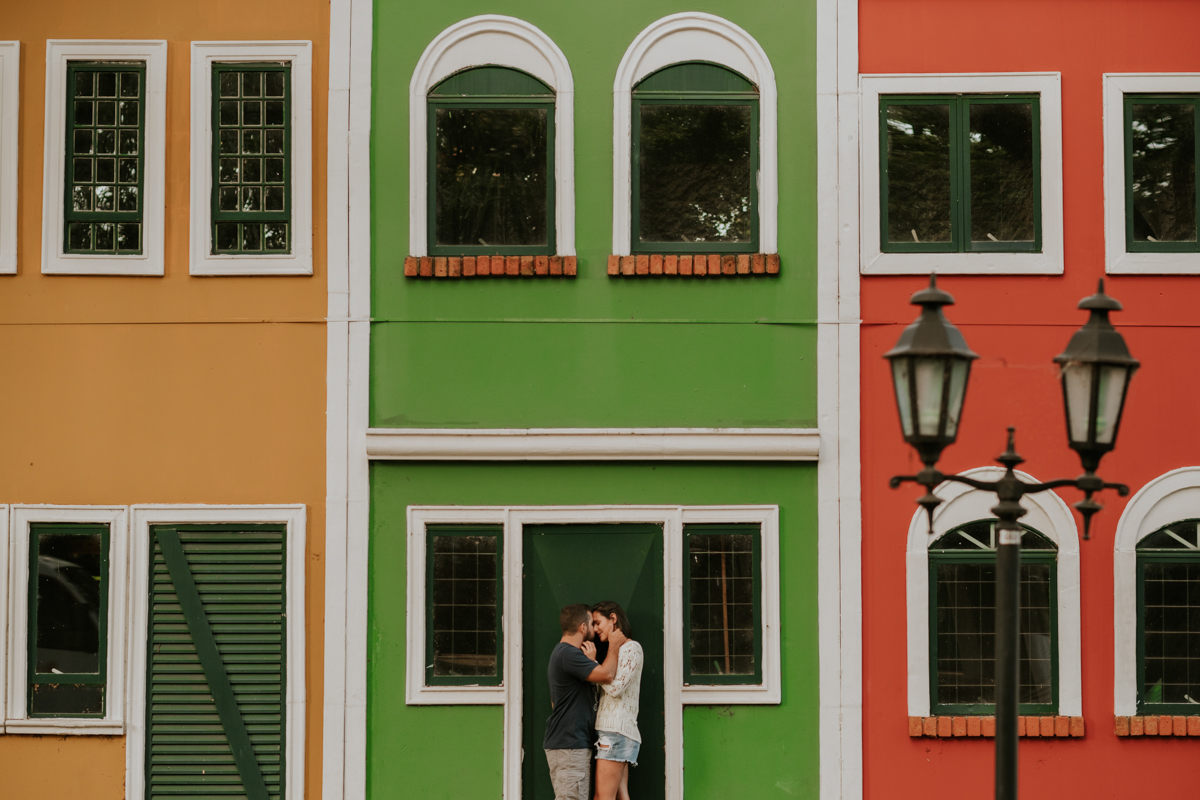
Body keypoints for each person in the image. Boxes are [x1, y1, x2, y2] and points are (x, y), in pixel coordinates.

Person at [544, 603, 623, 800]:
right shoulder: (568, 654)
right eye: (591, 623)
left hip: (570, 745)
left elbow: (555, 703)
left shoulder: (564, 654)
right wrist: (614, 644)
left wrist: (591, 660)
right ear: (582, 627)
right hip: (570, 746)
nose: (594, 629)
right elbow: (607, 675)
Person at [591, 601, 641, 800]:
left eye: (597, 623)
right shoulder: (618, 651)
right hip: (614, 733)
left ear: (612, 618)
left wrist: (593, 665)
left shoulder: (631, 649)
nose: (595, 629)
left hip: (615, 733)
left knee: (602, 797)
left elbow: (615, 688)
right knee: (621, 796)